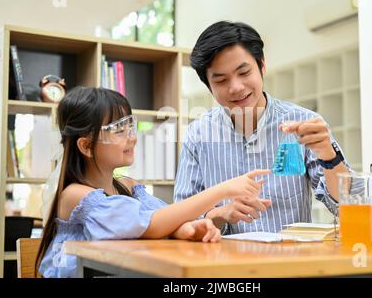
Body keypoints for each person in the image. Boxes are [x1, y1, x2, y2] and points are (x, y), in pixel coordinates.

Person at [36, 86, 269, 277]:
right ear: (86, 146)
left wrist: (185, 229)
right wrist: (224, 189)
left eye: (130, 125)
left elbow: (163, 217)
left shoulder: (127, 185)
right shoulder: (75, 196)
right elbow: (152, 223)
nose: (132, 137)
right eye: (119, 130)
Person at [174, 21, 352, 235]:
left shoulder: (304, 122)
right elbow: (181, 219)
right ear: (209, 87)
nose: (236, 87)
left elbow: (348, 207)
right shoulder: (198, 134)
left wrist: (329, 155)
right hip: (222, 265)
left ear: (262, 66)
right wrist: (221, 213)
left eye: (244, 72)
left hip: (290, 263)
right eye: (221, 80)